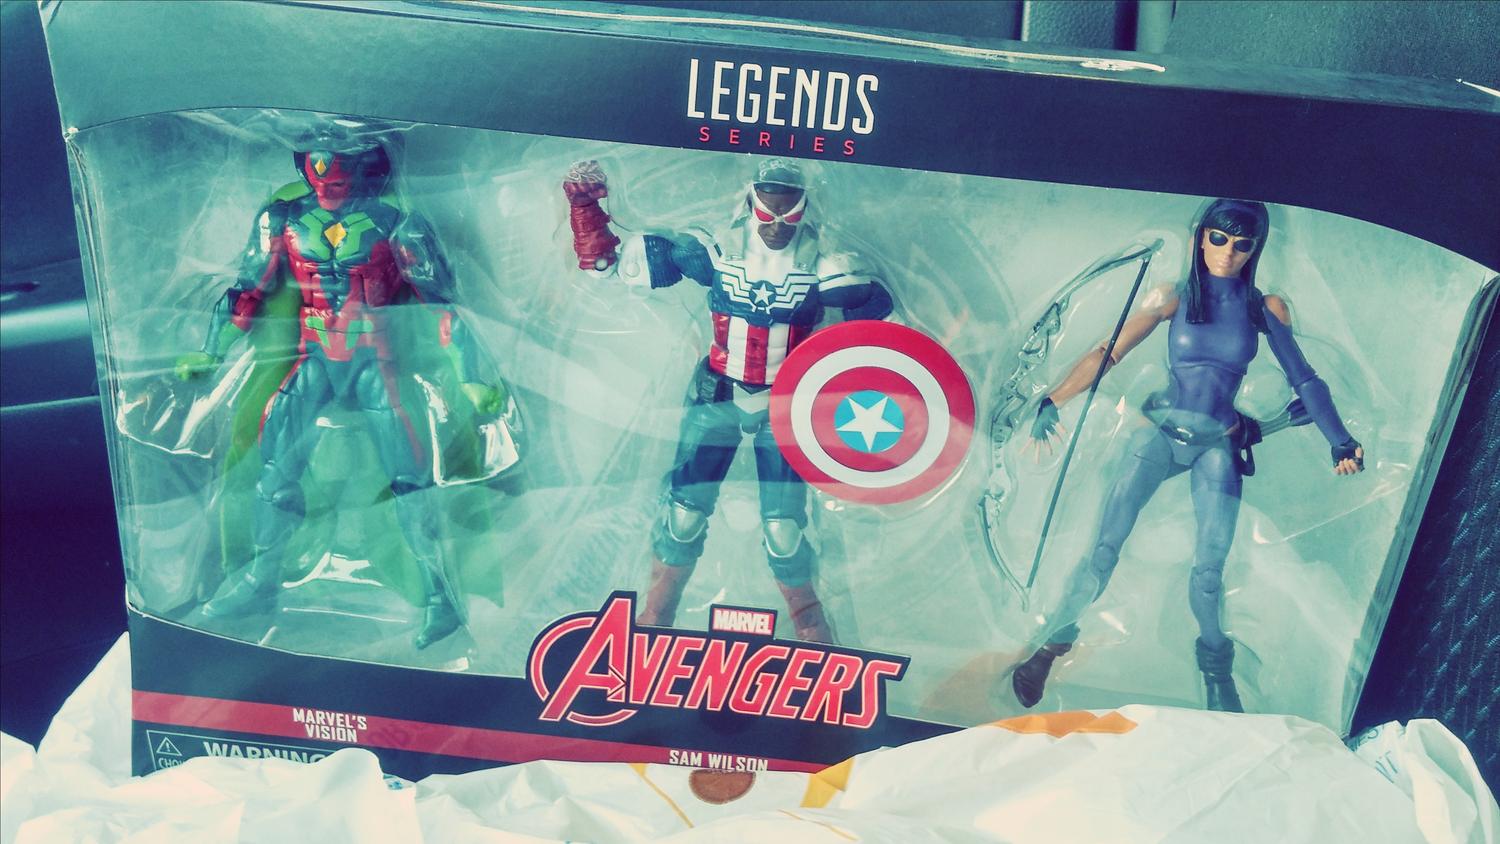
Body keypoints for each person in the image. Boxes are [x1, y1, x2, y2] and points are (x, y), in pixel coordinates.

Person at [1012, 198, 1365, 711]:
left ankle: (1217, 671)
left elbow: (1304, 378)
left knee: (1209, 572)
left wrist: (1339, 439)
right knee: (1104, 548)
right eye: (1218, 239)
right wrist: (1053, 399)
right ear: (1200, 237)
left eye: (1242, 244)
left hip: (1216, 445)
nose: (1228, 252)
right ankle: (1052, 644)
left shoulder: (1264, 309)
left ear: (1256, 250)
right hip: (1162, 434)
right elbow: (1109, 351)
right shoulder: (1172, 297)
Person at [175, 127, 504, 649]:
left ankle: (441, 597)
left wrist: (469, 377)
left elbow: (439, 301)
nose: (328, 173)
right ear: (304, 164)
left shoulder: (398, 224)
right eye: (318, 163)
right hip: (313, 359)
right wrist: (211, 352)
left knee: (412, 483)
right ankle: (262, 581)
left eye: (341, 163)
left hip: (377, 363)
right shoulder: (283, 219)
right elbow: (248, 290)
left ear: (368, 164)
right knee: (274, 473)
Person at [562, 158, 894, 642]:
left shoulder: (828, 268)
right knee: (683, 516)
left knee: (784, 530)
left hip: (786, 401)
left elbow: (885, 326)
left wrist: (883, 394)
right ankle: (655, 617)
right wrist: (585, 207)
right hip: (717, 389)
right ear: (750, 204)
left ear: (804, 210)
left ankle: (812, 628)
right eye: (768, 213)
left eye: (788, 214)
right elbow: (605, 267)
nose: (777, 226)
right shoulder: (711, 253)